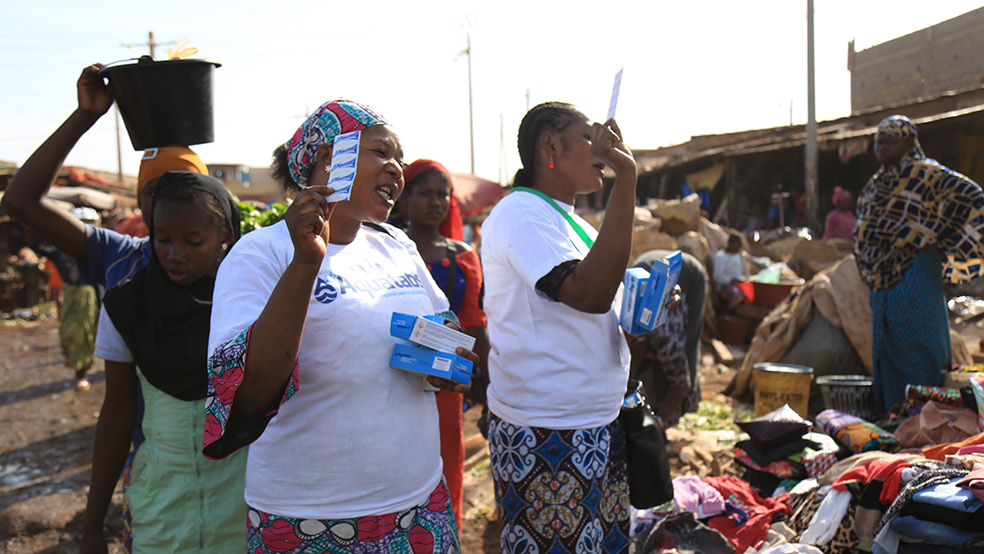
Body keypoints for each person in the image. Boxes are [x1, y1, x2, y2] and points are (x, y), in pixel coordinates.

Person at [202, 100, 473, 552]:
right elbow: (245, 392)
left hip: (419, 504)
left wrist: (447, 359)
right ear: (332, 157)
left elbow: (437, 322)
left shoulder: (395, 245)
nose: (397, 170)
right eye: (383, 153)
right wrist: (306, 264)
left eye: (400, 160)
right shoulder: (260, 254)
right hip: (312, 518)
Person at [0, 64, 213, 551]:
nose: (168, 204)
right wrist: (84, 117)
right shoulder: (121, 258)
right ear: (141, 201)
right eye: (156, 193)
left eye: (183, 190)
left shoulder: (240, 270)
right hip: (153, 460)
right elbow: (21, 200)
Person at [481, 101, 637, 553]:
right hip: (547, 431)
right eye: (589, 138)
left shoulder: (571, 224)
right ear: (550, 146)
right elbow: (586, 294)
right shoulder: (521, 214)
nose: (604, 150)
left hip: (594, 424)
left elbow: (602, 303)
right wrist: (626, 180)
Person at [79, 171, 245, 552]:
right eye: (162, 239)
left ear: (225, 237)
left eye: (193, 241)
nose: (174, 254)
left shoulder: (247, 304)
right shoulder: (127, 306)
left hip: (243, 499)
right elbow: (118, 414)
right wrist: (92, 526)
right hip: (161, 501)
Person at [854, 114, 984, 414]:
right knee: (887, 348)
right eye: (878, 142)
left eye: (889, 141)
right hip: (881, 282)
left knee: (920, 346)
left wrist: (935, 238)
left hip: (915, 273)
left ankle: (928, 415)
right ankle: (894, 415)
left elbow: (973, 198)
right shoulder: (878, 183)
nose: (882, 147)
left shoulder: (927, 175)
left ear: (908, 142)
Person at [402, 158, 490, 532]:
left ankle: (443, 536)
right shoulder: (385, 247)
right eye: (425, 193)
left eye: (443, 194)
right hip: (394, 374)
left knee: (445, 460)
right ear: (404, 199)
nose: (435, 201)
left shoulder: (461, 255)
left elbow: (474, 321)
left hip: (443, 381)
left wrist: (486, 382)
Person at [629, 250, 707, 427]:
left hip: (688, 275)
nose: (630, 349)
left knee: (685, 350)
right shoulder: (624, 328)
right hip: (646, 271)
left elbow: (681, 384)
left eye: (633, 345)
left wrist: (658, 423)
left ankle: (675, 413)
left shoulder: (664, 337)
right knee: (635, 366)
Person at [711, 234, 748, 310]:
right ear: (730, 244)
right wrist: (731, 280)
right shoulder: (721, 257)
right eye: (736, 246)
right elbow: (717, 277)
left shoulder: (738, 256)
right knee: (736, 294)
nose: (738, 249)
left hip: (738, 284)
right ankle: (729, 311)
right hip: (724, 287)